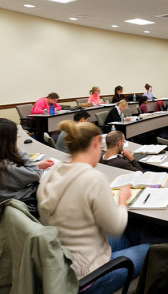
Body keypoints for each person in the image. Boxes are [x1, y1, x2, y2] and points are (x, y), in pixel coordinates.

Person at [36, 120, 150, 294]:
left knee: (130, 235)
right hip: (87, 278)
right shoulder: (93, 178)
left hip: (60, 264)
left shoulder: (49, 175)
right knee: (151, 249)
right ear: (96, 142)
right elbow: (116, 226)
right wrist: (122, 200)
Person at [0, 119, 54, 203]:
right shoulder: (5, 166)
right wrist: (14, 149)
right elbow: (36, 174)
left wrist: (37, 164)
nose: (17, 138)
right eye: (15, 136)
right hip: (21, 200)